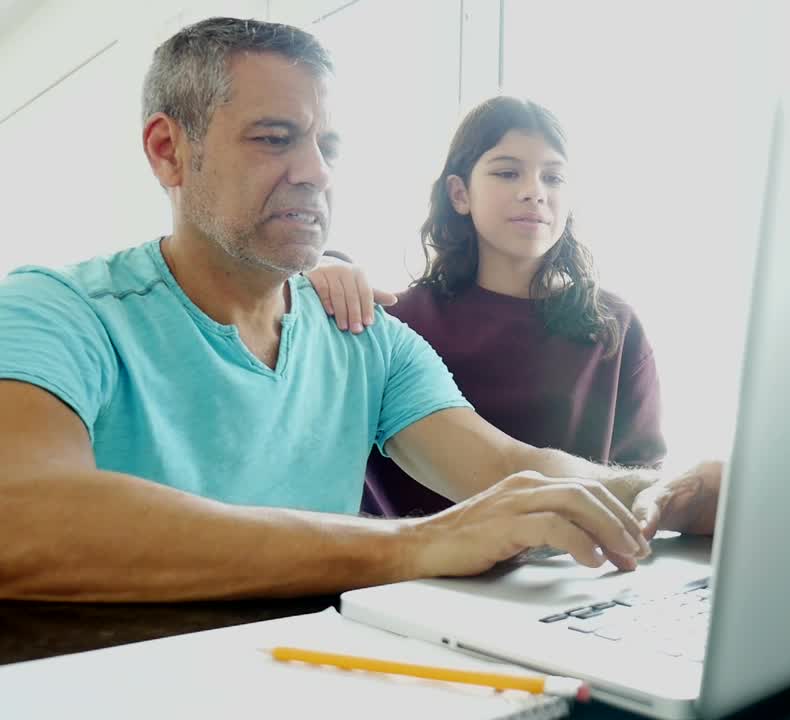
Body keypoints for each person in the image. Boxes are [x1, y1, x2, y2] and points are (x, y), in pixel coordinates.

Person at [0, 17, 720, 603]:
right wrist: (419, 543)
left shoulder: (368, 340)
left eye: (329, 146)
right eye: (275, 139)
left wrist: (677, 493)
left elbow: (510, 466)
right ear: (168, 151)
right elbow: (19, 523)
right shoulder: (54, 312)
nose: (315, 172)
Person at [308, 96, 665, 520]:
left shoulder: (616, 327)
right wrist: (320, 266)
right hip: (413, 574)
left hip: (569, 572)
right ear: (460, 193)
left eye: (553, 177)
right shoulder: (399, 322)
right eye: (507, 172)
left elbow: (644, 482)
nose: (534, 192)